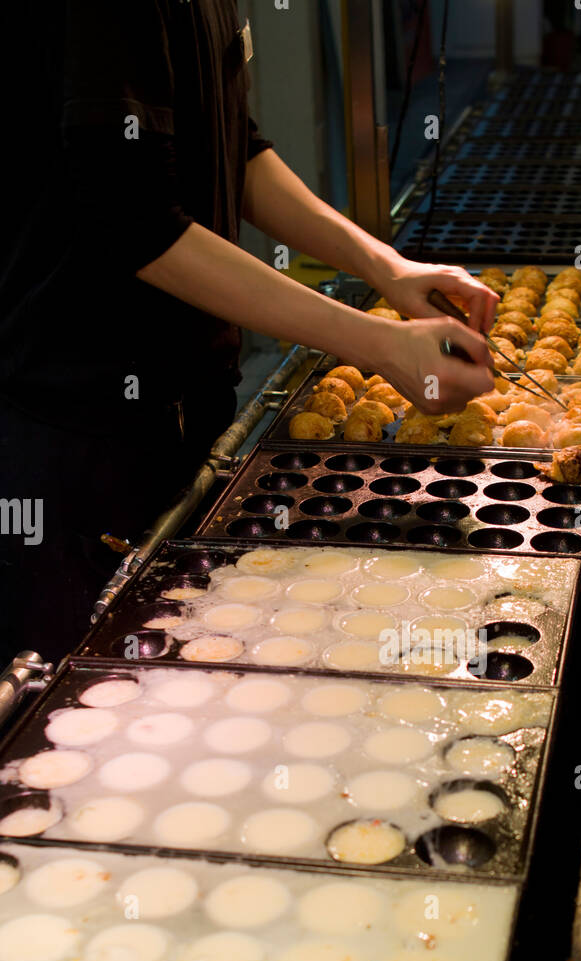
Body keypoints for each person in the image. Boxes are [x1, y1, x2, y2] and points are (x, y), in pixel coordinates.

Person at [0, 2, 497, 666]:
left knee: (191, 676)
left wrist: (388, 268)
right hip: (76, 429)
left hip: (187, 408)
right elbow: (136, 225)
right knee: (87, 706)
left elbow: (237, 148)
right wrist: (374, 343)